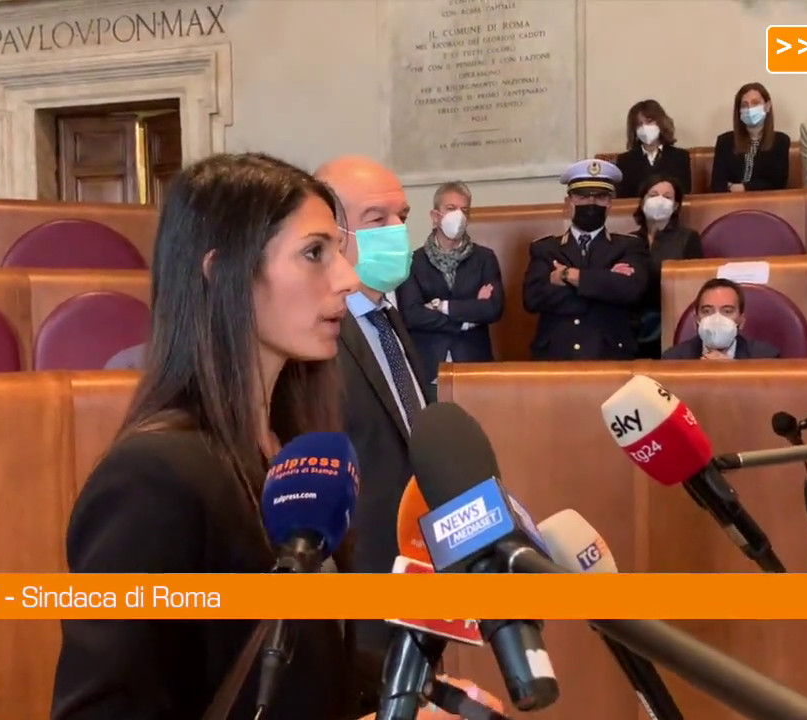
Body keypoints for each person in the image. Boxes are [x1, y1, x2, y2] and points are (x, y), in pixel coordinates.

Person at [51, 153, 495, 720]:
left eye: (338, 250)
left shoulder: (295, 448)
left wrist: (416, 696)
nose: (346, 277)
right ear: (223, 272)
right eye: (314, 253)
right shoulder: (150, 478)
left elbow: (303, 660)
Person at [312, 155, 428, 654]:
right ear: (332, 235)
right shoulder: (316, 339)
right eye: (377, 220)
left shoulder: (387, 316)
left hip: (414, 571)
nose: (397, 231)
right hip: (359, 592)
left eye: (402, 216)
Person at [523, 158, 649, 360]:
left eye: (600, 197)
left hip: (610, 353)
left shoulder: (628, 246)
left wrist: (568, 275)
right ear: (569, 202)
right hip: (555, 354)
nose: (591, 203)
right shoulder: (545, 249)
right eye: (582, 196)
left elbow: (632, 290)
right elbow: (532, 299)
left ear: (609, 204)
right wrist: (604, 285)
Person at [397, 180, 504, 383]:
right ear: (435, 216)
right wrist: (466, 319)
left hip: (474, 362)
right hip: (429, 364)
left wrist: (441, 306)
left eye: (464, 210)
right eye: (451, 208)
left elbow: (492, 309)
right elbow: (412, 315)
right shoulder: (413, 262)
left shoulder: (484, 258)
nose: (459, 216)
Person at [632, 175, 703, 359]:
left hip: (668, 319)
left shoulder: (688, 238)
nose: (659, 200)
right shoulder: (629, 240)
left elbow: (693, 287)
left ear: (676, 206)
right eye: (653, 195)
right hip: (631, 320)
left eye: (667, 196)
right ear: (642, 201)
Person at [663, 278, 780, 360]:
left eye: (727, 311)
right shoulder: (673, 359)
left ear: (741, 321)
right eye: (707, 311)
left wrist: (734, 371)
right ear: (696, 320)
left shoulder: (766, 358)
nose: (717, 319)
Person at [711, 82, 792, 193]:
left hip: (768, 201)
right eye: (744, 105)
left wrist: (744, 188)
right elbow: (717, 184)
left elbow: (778, 183)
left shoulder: (781, 141)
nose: (749, 109)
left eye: (755, 103)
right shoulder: (724, 142)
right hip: (731, 201)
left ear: (767, 106)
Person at [614, 99, 692, 198]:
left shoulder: (680, 157)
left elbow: (684, 194)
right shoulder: (624, 161)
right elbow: (624, 199)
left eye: (649, 121)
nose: (644, 128)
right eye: (639, 124)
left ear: (661, 122)